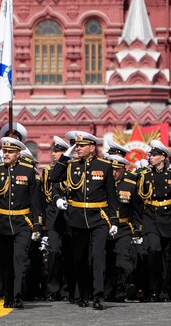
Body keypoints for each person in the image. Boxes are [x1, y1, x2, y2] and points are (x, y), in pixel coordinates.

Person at [49, 131, 118, 310]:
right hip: (78, 218)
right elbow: (53, 177)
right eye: (76, 145)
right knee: (79, 259)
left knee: (97, 256)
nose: (77, 148)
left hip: (99, 218)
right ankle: (83, 293)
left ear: (92, 147)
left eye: (81, 146)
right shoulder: (71, 165)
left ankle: (98, 295)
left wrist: (114, 220)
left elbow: (112, 196)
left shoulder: (104, 166)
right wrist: (65, 156)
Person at [0, 137, 44, 309]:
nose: (7, 154)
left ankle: (17, 295)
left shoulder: (28, 171)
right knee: (5, 262)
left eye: (10, 152)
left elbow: (35, 201)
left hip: (22, 222)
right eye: (5, 151)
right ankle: (8, 295)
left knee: (20, 259)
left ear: (18, 154)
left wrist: (37, 224)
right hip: (2, 222)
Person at [137, 140, 171, 302]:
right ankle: (152, 289)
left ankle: (165, 290)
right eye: (151, 155)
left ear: (163, 157)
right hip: (151, 216)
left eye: (155, 155)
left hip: (168, 217)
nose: (151, 157)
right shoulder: (145, 175)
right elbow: (138, 201)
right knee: (154, 251)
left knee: (167, 256)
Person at [106, 154, 143, 302]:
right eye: (112, 170)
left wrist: (137, 230)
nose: (114, 173)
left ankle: (122, 290)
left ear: (123, 170)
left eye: (117, 170)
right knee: (108, 260)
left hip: (124, 228)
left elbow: (137, 210)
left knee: (123, 260)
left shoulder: (130, 185)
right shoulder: (103, 184)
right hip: (106, 227)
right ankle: (108, 292)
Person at [43, 136, 76, 303]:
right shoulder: (49, 172)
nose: (54, 154)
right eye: (53, 151)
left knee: (70, 254)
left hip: (71, 218)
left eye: (58, 151)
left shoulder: (75, 170)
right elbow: (44, 196)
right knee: (54, 252)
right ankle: (52, 289)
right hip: (54, 218)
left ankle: (67, 289)